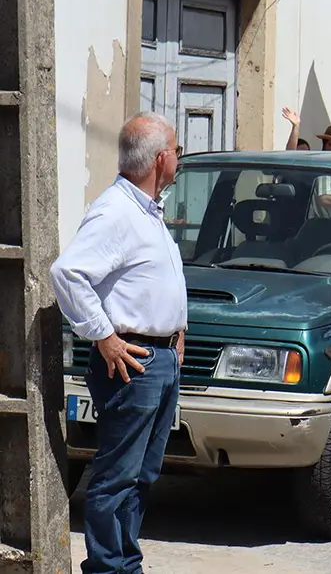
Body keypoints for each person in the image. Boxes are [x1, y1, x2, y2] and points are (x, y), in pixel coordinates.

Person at [50, 112, 187, 574]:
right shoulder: (116, 211)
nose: (180, 157)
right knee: (116, 477)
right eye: (177, 149)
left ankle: (126, 566)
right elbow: (68, 273)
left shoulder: (147, 209)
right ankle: (108, 569)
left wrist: (176, 333)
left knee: (142, 476)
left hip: (159, 358)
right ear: (161, 158)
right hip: (133, 361)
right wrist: (104, 337)